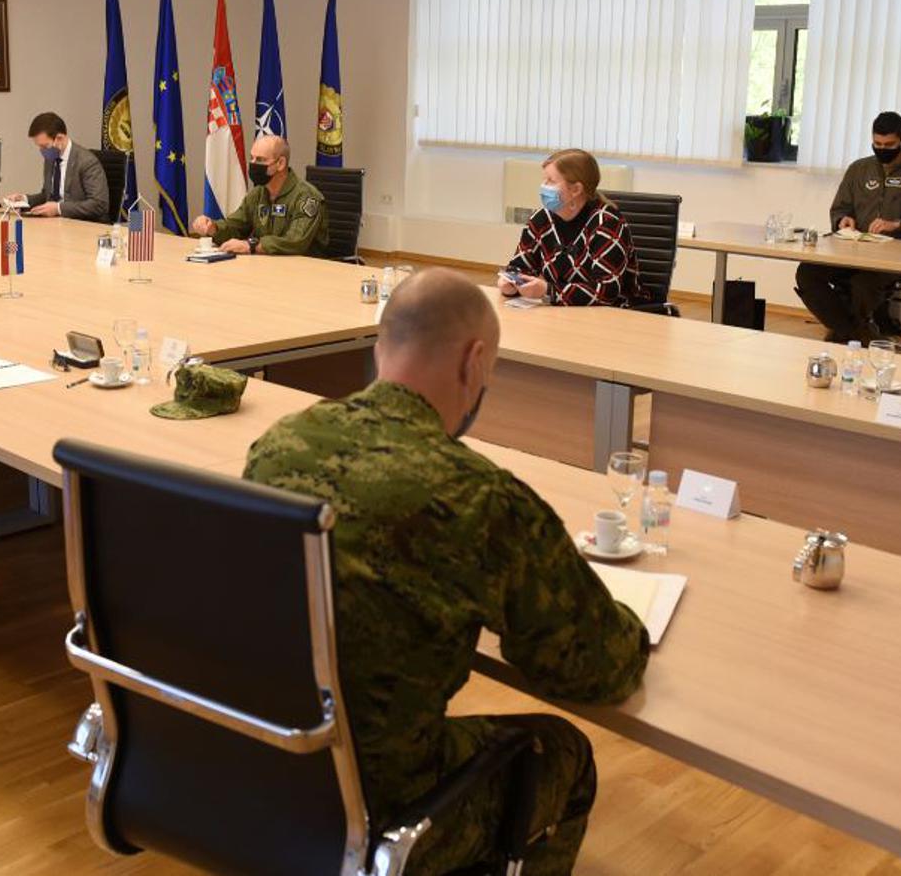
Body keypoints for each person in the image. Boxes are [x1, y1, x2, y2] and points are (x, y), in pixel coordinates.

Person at [243, 268, 651, 875]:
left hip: (261, 759)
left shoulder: (280, 445)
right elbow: (598, 668)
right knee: (563, 753)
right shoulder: (480, 497)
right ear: (475, 362)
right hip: (381, 807)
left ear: (381, 346)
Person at [795, 111, 901, 343]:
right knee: (808, 272)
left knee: (862, 284)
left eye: (889, 145)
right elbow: (839, 208)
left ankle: (848, 333)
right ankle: (856, 333)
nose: (882, 149)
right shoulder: (859, 169)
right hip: (854, 251)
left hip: (899, 257)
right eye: (877, 144)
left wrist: (900, 225)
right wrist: (842, 220)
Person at [497, 148, 644, 306]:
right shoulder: (541, 218)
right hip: (561, 311)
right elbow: (519, 267)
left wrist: (549, 291)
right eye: (544, 180)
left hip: (616, 313)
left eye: (551, 181)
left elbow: (606, 292)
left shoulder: (607, 223)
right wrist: (510, 284)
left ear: (576, 189)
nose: (543, 186)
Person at [187, 135, 329, 256]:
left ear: (280, 163)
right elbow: (236, 226)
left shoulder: (306, 197)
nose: (253, 164)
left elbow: (295, 242)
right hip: (268, 266)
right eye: (252, 158)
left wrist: (251, 245)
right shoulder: (258, 193)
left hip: (306, 270)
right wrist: (213, 228)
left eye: (260, 160)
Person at [2, 111, 109, 221]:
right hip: (56, 223)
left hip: (85, 224)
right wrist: (24, 200)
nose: (42, 151)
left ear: (60, 138)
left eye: (45, 146)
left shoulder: (87, 161)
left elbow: (99, 204)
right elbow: (48, 195)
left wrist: (58, 209)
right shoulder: (50, 159)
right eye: (39, 147)